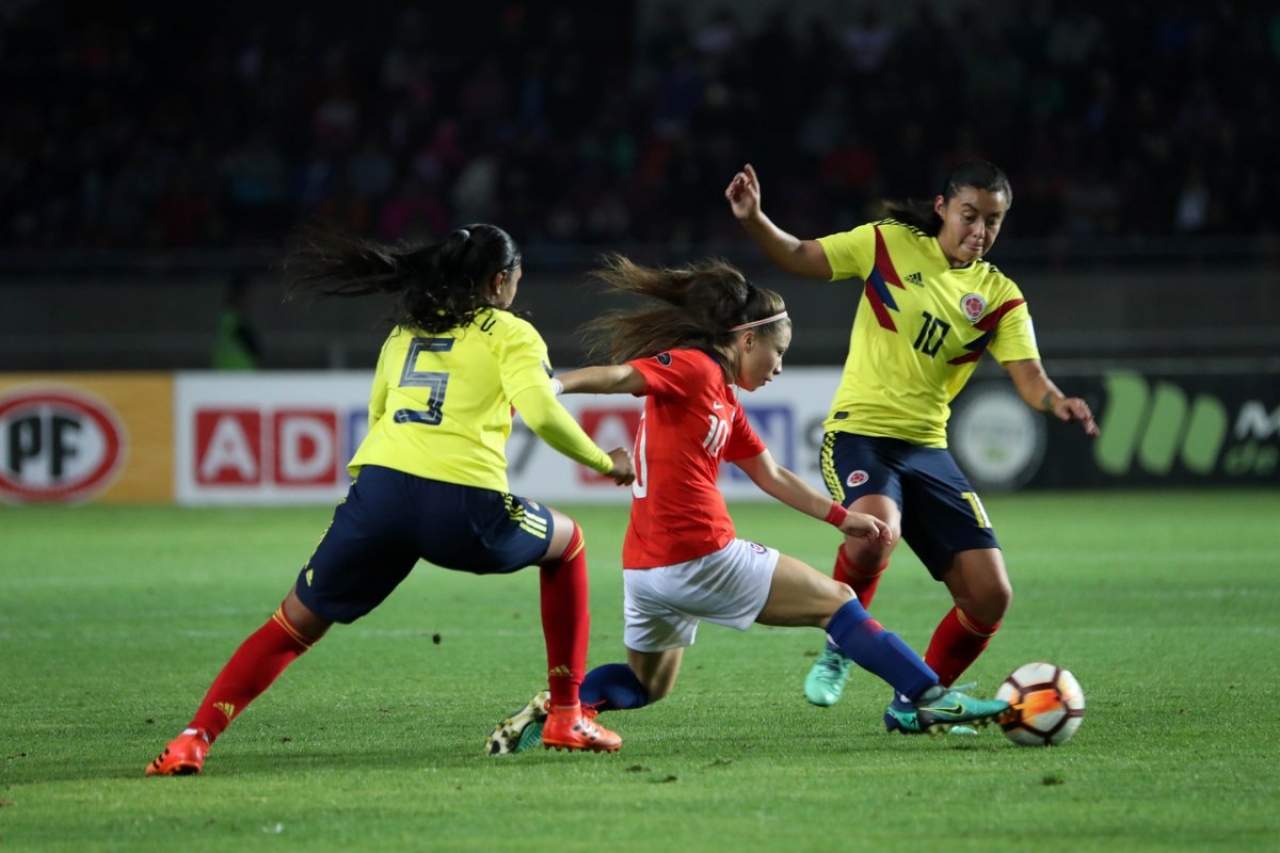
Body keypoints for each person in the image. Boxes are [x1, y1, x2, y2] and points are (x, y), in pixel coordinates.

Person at [146, 224, 635, 776]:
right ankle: (567, 715)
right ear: (500, 281)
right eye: (517, 280)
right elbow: (543, 412)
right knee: (568, 543)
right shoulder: (511, 332)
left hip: (380, 495)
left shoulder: (405, 332)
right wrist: (605, 462)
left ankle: (193, 739)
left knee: (292, 624)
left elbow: (379, 412)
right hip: (461, 506)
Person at [484, 255, 1010, 754]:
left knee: (648, 684)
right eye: (777, 353)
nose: (779, 367)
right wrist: (554, 384)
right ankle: (929, 697)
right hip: (699, 553)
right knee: (838, 602)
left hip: (646, 571)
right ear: (748, 338)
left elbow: (771, 473)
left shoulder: (722, 400)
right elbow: (624, 375)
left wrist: (844, 517)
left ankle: (564, 708)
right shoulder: (694, 368)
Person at [724, 160, 1099, 731]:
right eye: (970, 216)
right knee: (876, 531)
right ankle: (840, 644)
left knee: (991, 596)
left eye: (993, 222)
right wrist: (754, 219)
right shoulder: (889, 244)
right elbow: (800, 255)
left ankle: (916, 704)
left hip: (927, 448)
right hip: (859, 434)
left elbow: (1030, 377)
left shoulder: (998, 295)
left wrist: (1057, 402)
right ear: (943, 207)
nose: (980, 231)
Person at [210, 276, 261, 370]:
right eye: (245, 296)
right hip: (236, 371)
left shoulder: (226, 318)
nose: (248, 300)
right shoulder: (232, 319)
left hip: (228, 370)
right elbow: (252, 344)